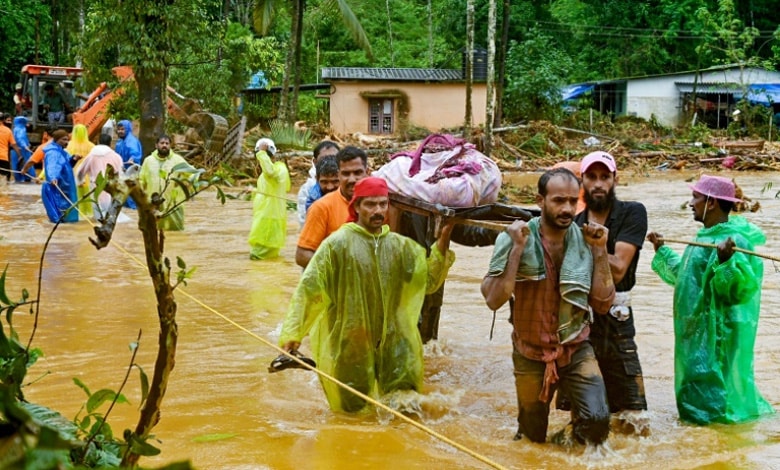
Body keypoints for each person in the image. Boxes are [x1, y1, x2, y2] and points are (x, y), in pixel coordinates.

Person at [279, 177, 456, 412]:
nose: (378, 211)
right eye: (371, 204)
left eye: (383, 204)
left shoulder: (402, 247)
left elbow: (429, 282)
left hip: (395, 342)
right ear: (356, 207)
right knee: (352, 412)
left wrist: (443, 243)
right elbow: (310, 290)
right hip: (351, 342)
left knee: (405, 409)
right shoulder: (337, 245)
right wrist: (294, 333)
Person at [481, 167, 615, 446]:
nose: (567, 208)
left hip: (575, 346)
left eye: (572, 201)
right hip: (530, 351)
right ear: (540, 201)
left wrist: (600, 251)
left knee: (598, 421)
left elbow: (603, 304)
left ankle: (564, 447)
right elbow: (494, 299)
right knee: (532, 436)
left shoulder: (587, 241)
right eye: (558, 201)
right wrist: (517, 249)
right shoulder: (513, 237)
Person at [647, 175, 774, 425]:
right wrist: (661, 249)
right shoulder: (704, 238)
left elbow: (739, 291)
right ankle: (705, 435)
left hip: (719, 332)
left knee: (715, 388)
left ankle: (720, 435)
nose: (691, 202)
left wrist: (727, 262)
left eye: (696, 197)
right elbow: (686, 278)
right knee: (695, 384)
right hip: (696, 332)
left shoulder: (735, 242)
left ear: (712, 202)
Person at [570, 151, 649, 435]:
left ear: (616, 179)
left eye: (605, 177)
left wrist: (598, 245)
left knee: (633, 417)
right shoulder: (573, 222)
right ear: (583, 181)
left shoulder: (633, 212)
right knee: (582, 416)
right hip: (579, 320)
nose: (599, 183)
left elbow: (617, 272)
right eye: (592, 177)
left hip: (617, 319)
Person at [295, 146, 368, 268]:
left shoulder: (379, 204)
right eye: (346, 173)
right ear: (339, 174)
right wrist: (339, 269)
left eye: (357, 173)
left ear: (368, 172)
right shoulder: (320, 206)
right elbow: (302, 255)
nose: (352, 179)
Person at [139, 135, 195, 231]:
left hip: (173, 204)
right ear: (156, 145)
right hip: (153, 203)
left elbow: (193, 173)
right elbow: (141, 180)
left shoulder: (177, 160)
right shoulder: (148, 161)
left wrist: (186, 184)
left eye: (167, 143)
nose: (164, 145)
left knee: (176, 233)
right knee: (153, 231)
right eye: (162, 143)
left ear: (170, 146)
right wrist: (143, 200)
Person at [248, 138, 291, 260]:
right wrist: (254, 191)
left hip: (270, 218)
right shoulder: (267, 173)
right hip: (265, 217)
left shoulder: (279, 169)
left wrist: (261, 153)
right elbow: (268, 190)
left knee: (257, 256)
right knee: (265, 258)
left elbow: (271, 173)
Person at [76, 133, 127, 222]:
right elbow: (121, 174)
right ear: (110, 143)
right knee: (111, 212)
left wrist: (80, 181)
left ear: (98, 142)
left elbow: (80, 171)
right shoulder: (116, 156)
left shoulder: (91, 156)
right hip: (111, 188)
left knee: (98, 213)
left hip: (95, 187)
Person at [297, 140, 340, 228]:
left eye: (334, 158)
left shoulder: (349, 184)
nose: (329, 162)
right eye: (324, 159)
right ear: (315, 162)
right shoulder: (308, 190)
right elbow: (305, 224)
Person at [41, 129, 79, 223]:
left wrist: (74, 159)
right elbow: (52, 166)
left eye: (67, 140)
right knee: (61, 211)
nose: (67, 142)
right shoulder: (53, 153)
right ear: (56, 140)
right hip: (58, 186)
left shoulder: (62, 152)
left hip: (66, 185)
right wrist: (53, 178)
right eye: (64, 140)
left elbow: (67, 164)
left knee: (69, 207)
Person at [67, 124, 96, 218]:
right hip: (87, 174)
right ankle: (90, 214)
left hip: (73, 174)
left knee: (76, 197)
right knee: (88, 197)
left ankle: (78, 215)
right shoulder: (91, 146)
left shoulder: (69, 145)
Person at [115, 119, 143, 209]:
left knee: (132, 195)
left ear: (127, 129)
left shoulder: (132, 141)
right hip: (122, 172)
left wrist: (132, 159)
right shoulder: (119, 142)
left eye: (122, 129)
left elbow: (135, 154)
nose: (120, 131)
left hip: (131, 173)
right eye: (119, 129)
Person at [0, 113, 22, 184]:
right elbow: (14, 145)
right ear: (3, 120)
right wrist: (19, 155)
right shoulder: (8, 131)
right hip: (3, 158)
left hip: (4, 157)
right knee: (4, 181)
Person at [10, 116, 34, 182]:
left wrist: (28, 144)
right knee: (25, 165)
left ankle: (19, 179)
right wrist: (25, 146)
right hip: (22, 151)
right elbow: (20, 138)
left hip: (16, 150)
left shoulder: (15, 129)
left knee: (16, 166)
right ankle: (27, 179)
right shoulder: (21, 129)